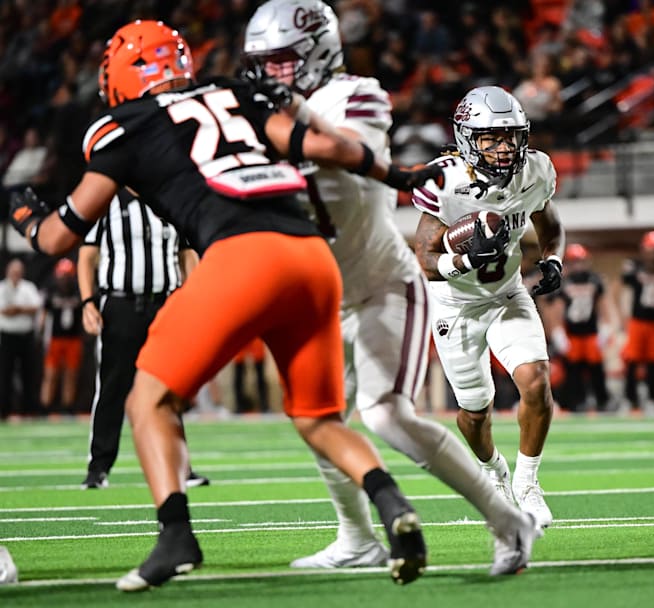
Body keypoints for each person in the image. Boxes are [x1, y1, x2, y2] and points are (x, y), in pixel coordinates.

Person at [8, 19, 442, 590]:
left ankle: (176, 536)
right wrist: (400, 175)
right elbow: (328, 146)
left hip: (242, 256)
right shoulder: (238, 91)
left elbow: (60, 238)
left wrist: (23, 215)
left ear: (120, 74)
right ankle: (394, 511)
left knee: (147, 400)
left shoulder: (121, 126)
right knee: (317, 419)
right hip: (312, 259)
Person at [244, 0, 540, 575]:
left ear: (319, 51)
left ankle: (509, 520)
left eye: (284, 62)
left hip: (378, 282)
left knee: (386, 415)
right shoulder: (264, 111)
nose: (272, 75)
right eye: (264, 64)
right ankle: (356, 538)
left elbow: (329, 151)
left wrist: (261, 121)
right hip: (316, 290)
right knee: (315, 418)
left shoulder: (356, 95)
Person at [412, 86, 564, 529]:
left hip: (506, 293)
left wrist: (552, 258)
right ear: (465, 138)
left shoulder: (534, 170)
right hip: (455, 303)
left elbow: (548, 220)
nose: (503, 148)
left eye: (510, 137)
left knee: (535, 381)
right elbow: (424, 259)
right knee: (475, 411)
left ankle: (528, 483)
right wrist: (463, 259)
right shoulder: (446, 180)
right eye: (489, 138)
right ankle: (492, 472)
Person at [77, 191, 206, 490]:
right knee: (112, 386)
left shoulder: (170, 198)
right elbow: (87, 255)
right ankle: (99, 466)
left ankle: (181, 466)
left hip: (166, 304)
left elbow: (187, 253)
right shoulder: (108, 201)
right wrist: (87, 301)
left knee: (171, 384)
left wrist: (196, 297)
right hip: (121, 305)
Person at [553, 243, 614, 412]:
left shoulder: (595, 280)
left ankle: (602, 400)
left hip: (591, 333)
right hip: (573, 334)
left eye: (580, 261)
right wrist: (558, 333)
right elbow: (557, 310)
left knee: (597, 371)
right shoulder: (563, 282)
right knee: (573, 372)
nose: (578, 265)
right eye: (574, 262)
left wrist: (606, 328)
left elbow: (602, 306)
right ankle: (576, 402)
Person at [620, 231, 654, 413]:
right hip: (637, 321)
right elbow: (621, 290)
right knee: (632, 361)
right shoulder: (634, 267)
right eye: (651, 250)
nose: (653, 254)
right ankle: (631, 400)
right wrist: (623, 318)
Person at [40, 258, 82, 415]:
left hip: (73, 339)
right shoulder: (51, 291)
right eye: (62, 275)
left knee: (70, 374)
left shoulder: (78, 291)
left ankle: (67, 407)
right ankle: (46, 407)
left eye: (67, 275)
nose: (64, 279)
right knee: (51, 373)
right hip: (55, 339)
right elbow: (44, 315)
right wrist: (40, 332)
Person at [0, 258, 41, 418]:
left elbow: (36, 307)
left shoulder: (28, 287)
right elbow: (5, 311)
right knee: (5, 373)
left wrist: (17, 309)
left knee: (28, 374)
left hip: (25, 335)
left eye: (18, 271)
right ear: (8, 271)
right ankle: (4, 410)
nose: (16, 274)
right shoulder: (2, 287)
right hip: (7, 336)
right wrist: (21, 309)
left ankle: (28, 410)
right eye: (13, 271)